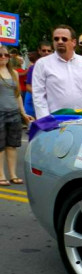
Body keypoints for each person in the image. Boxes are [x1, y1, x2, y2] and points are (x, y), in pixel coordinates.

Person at [32, 25, 82, 119]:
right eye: (56, 39)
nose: (60, 41)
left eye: (64, 39)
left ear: (73, 42)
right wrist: (45, 121)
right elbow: (39, 96)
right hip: (56, 122)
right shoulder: (42, 64)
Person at [0, 45, 35, 186]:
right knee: (0, 147)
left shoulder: (13, 73)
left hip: (13, 113)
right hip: (0, 113)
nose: (3, 57)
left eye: (6, 55)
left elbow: (18, 95)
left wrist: (23, 113)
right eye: (0, 55)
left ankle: (13, 174)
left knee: (12, 146)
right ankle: (1, 175)